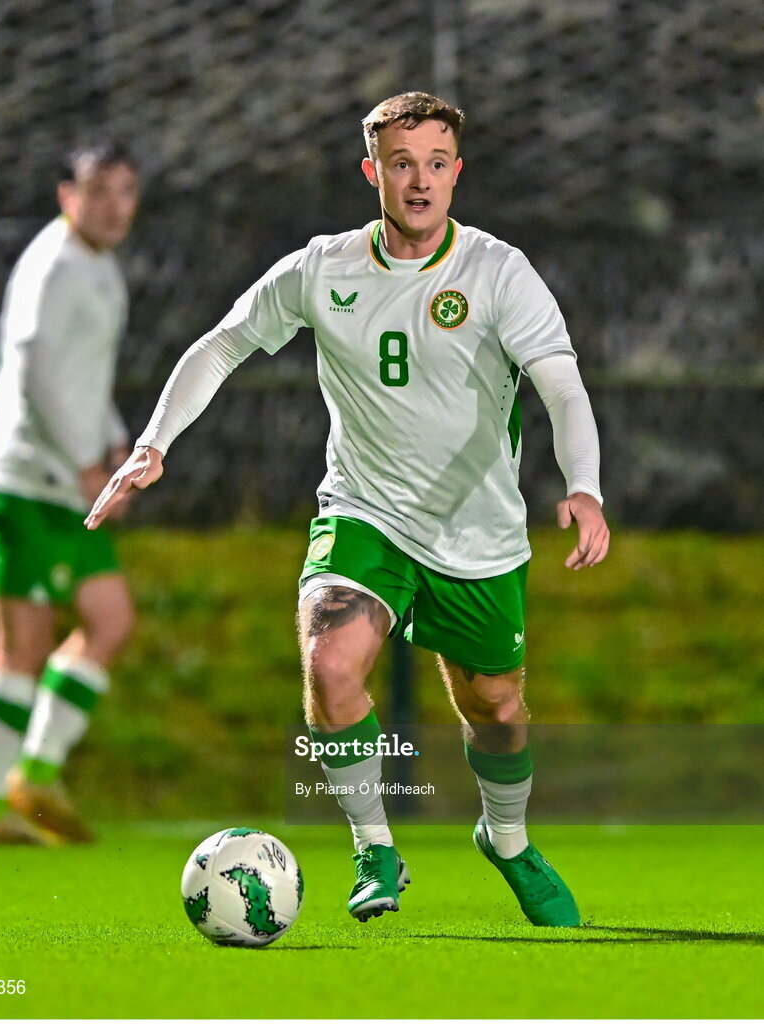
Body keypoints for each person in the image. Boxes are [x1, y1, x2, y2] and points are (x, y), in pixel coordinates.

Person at [86, 93, 609, 925]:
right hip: (364, 512)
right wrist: (155, 443)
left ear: (457, 173)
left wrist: (584, 485)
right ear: (373, 172)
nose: (420, 180)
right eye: (402, 163)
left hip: (475, 534)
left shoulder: (497, 272)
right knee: (331, 665)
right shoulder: (322, 268)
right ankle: (375, 848)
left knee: (499, 710)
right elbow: (222, 342)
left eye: (437, 164)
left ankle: (505, 839)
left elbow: (562, 387)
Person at [0, 142, 139, 847]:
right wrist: (87, 464)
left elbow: (84, 376)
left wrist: (118, 444)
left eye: (127, 191)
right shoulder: (54, 263)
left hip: (68, 480)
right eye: (100, 191)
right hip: (28, 480)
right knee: (22, 646)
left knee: (110, 621)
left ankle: (32, 775)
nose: (114, 206)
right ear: (69, 196)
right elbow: (34, 369)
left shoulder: (102, 268)